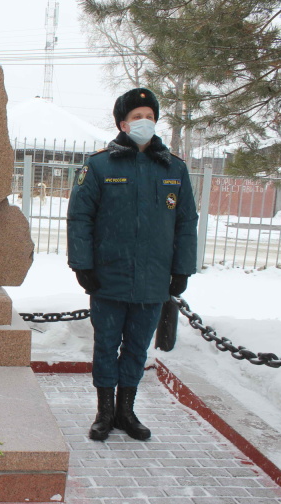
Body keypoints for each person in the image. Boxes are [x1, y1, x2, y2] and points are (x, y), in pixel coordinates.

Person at [67, 88, 198, 441]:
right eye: (137, 117)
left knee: (138, 348)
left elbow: (186, 222)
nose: (145, 122)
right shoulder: (99, 166)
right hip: (108, 277)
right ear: (123, 124)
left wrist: (181, 269)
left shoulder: (173, 168)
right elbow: (80, 218)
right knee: (106, 346)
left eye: (150, 117)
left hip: (153, 279)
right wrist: (83, 265)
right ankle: (104, 413)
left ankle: (127, 411)